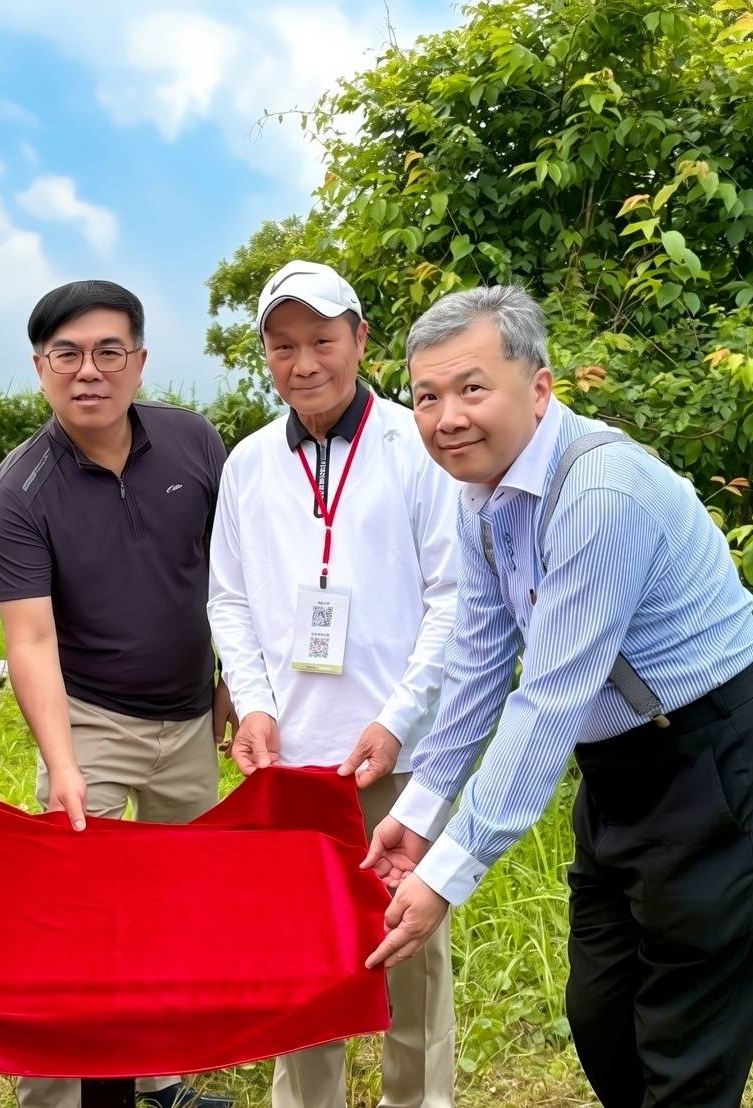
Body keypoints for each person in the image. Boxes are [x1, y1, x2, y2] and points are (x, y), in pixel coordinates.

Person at [362, 286, 753, 1108]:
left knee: (684, 1047)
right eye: (425, 397)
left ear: (537, 389)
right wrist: (421, 808)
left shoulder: (600, 492)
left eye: (471, 388)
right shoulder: (481, 499)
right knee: (600, 1016)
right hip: (618, 770)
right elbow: (476, 659)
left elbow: (548, 696)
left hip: (716, 758)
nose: (446, 417)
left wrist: (445, 877)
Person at [207, 260, 460, 1108]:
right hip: (289, 763)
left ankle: (416, 1101)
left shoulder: (412, 444)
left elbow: (453, 599)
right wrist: (252, 705)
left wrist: (396, 719)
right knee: (299, 957)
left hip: (396, 756)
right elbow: (230, 598)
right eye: (282, 346)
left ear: (359, 339)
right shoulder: (247, 463)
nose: (303, 362)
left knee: (410, 951)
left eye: (321, 339)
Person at [0, 279, 236, 1108]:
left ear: (138, 361)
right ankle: (51, 1097)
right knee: (68, 916)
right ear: (40, 367)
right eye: (67, 355)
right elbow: (30, 640)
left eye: (107, 351)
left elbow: (234, 579)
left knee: (173, 910)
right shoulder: (18, 491)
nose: (88, 371)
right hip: (90, 716)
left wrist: (233, 682)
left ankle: (160, 1078)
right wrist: (61, 763)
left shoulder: (194, 443)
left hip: (190, 717)